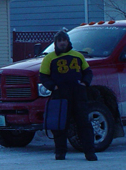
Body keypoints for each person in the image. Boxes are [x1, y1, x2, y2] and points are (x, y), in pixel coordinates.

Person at [39, 30, 97, 161]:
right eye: (59, 41)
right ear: (56, 43)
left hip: (78, 94)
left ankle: (90, 153)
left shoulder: (78, 56)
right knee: (59, 125)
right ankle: (60, 153)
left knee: (84, 124)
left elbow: (88, 72)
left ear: (68, 42)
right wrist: (53, 87)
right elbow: (43, 76)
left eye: (64, 40)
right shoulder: (49, 58)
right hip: (60, 95)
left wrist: (85, 83)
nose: (62, 43)